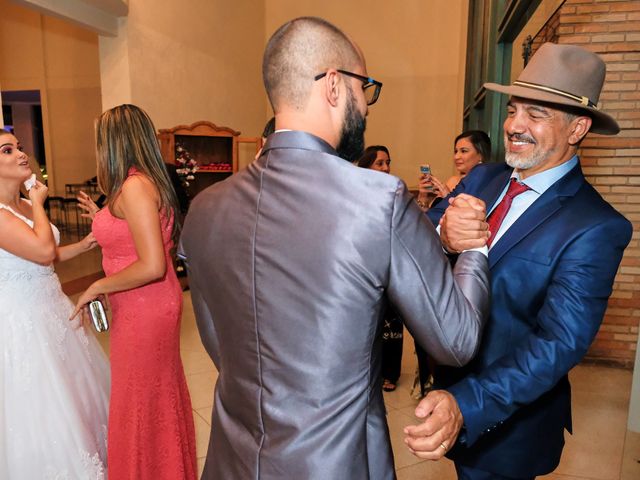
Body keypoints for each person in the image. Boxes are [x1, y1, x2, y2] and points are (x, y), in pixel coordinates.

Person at [180, 16, 491, 479]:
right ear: (333, 85)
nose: (366, 107)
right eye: (364, 88)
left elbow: (220, 348)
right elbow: (456, 340)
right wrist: (474, 248)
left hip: (234, 461)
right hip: (334, 462)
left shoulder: (204, 209)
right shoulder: (377, 199)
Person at [405, 43, 633, 479]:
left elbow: (557, 343)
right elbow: (416, 240)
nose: (514, 125)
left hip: (507, 423)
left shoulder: (596, 226)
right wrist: (444, 237)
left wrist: (467, 403)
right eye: (513, 110)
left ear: (578, 128)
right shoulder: (484, 177)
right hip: (449, 390)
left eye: (537, 114)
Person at [71, 105, 197, 480]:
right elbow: (132, 235)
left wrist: (96, 285)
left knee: (141, 398)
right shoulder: (135, 183)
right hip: (140, 304)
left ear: (113, 142)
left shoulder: (136, 187)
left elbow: (152, 264)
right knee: (146, 395)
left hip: (147, 305)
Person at [0, 129, 110, 478]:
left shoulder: (19, 204)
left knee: (79, 397)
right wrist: (37, 201)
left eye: (18, 147)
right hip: (24, 321)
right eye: (7, 150)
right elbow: (43, 250)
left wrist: (85, 244)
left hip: (54, 309)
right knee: (46, 404)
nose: (21, 154)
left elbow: (45, 256)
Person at [356, 145, 402, 392]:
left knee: (392, 324)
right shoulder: (354, 193)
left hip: (391, 264)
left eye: (387, 162)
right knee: (366, 323)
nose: (385, 168)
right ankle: (367, 372)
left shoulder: (395, 191)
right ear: (366, 166)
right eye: (379, 163)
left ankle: (390, 373)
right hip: (364, 266)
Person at [416, 130, 490, 210]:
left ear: (481, 155)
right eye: (456, 151)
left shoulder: (487, 186)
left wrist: (449, 198)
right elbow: (428, 218)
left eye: (463, 151)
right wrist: (423, 198)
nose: (456, 157)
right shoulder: (453, 180)